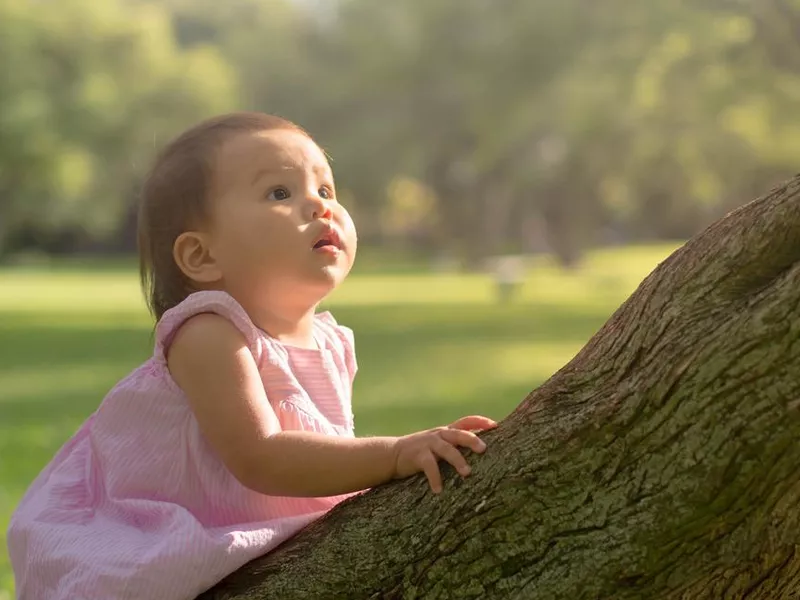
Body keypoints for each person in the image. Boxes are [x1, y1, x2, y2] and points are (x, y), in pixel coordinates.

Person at [6, 112, 497, 599]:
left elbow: (317, 454)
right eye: (280, 194)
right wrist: (393, 454)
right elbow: (260, 456)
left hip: (245, 527)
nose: (320, 207)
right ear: (202, 256)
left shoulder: (331, 341)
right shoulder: (208, 333)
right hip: (153, 533)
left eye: (326, 190)